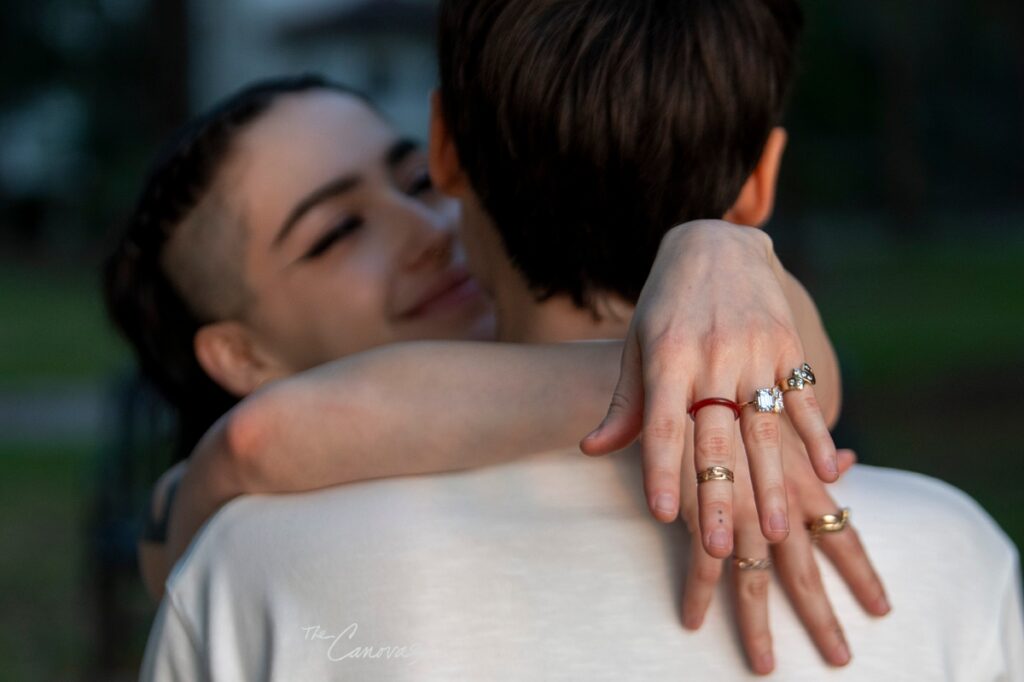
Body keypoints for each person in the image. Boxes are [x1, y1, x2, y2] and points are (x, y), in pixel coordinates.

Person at [137, 0, 1023, 679]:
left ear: (448, 155)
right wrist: (697, 336)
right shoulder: (956, 555)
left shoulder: (250, 571)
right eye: (336, 234)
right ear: (763, 181)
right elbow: (252, 444)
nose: (421, 229)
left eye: (409, 176)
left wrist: (716, 267)